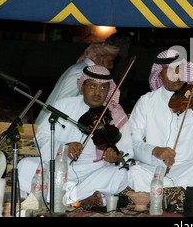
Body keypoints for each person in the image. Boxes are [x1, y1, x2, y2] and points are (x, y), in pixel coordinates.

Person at [18, 65, 131, 208]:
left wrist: (115, 156)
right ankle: (80, 198)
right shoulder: (63, 105)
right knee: (25, 166)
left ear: (109, 90)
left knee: (120, 176)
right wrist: (63, 148)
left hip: (93, 171)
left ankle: (62, 197)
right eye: (92, 86)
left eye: (103, 88)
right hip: (59, 167)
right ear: (82, 87)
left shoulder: (115, 113)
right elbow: (41, 137)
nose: (97, 92)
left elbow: (127, 148)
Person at [126, 49, 193, 194]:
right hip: (156, 167)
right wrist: (155, 151)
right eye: (169, 70)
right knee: (133, 173)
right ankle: (183, 188)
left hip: (189, 166)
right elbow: (132, 142)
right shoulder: (146, 101)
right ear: (160, 74)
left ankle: (165, 188)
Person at [35, 42, 119, 125]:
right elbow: (64, 104)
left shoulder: (79, 68)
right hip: (52, 126)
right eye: (110, 61)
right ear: (99, 58)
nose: (111, 66)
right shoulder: (81, 73)